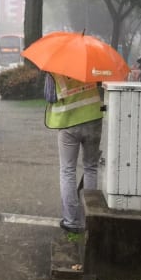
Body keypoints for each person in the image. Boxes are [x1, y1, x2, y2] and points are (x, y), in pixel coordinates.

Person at [43, 72, 104, 233]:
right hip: (93, 118)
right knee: (91, 167)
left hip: (68, 122)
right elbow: (100, 85)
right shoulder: (90, 64)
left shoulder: (54, 70)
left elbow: (50, 97)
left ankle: (71, 221)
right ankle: (88, 217)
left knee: (68, 170)